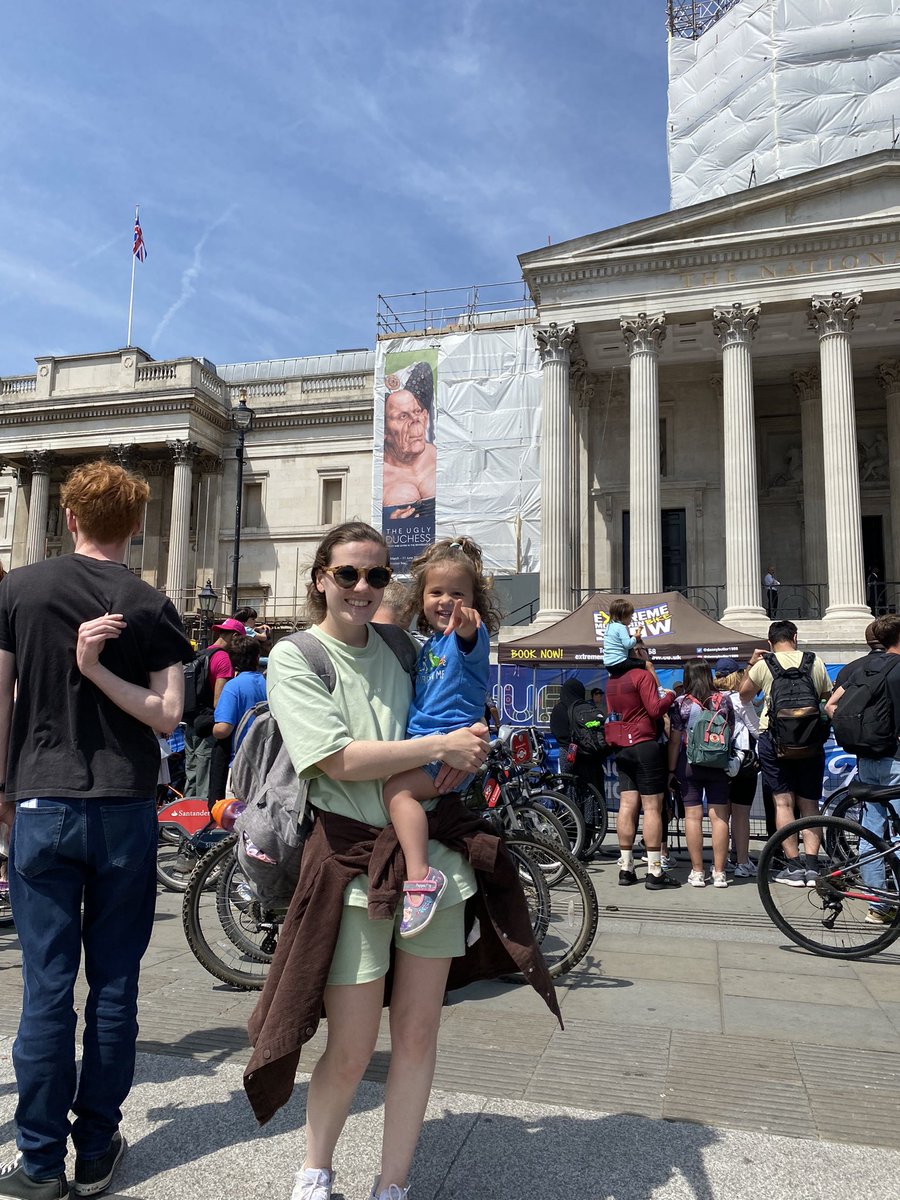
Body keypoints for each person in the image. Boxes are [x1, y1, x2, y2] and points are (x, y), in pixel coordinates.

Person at [244, 521, 556, 1200]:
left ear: (392, 587)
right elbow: (336, 758)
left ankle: (394, 1183)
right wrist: (440, 747)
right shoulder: (296, 657)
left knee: (417, 1039)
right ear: (320, 578)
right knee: (352, 1048)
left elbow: (461, 684)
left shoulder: (400, 645)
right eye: (349, 574)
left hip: (434, 861)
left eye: (377, 575)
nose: (362, 587)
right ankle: (315, 1168)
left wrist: (472, 737)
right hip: (352, 865)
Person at [0, 460, 192, 1200]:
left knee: (45, 989)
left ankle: (40, 1164)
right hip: (123, 808)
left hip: (41, 803)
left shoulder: (19, 590)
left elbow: (3, 703)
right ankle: (96, 1146)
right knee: (114, 984)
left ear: (70, 518)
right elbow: (168, 716)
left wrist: (3, 796)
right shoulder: (150, 602)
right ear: (138, 525)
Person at [382, 538, 497, 937]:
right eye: (436, 592)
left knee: (398, 793)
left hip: (449, 750)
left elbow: (469, 633)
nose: (446, 600)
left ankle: (421, 880)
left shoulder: (468, 638)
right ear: (421, 597)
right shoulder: (430, 643)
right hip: (429, 745)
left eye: (457, 593)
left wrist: (466, 622)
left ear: (473, 601)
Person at [739, 620, 831, 886]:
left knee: (783, 803)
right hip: (810, 740)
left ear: (769, 642)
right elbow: (824, 695)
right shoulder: (815, 662)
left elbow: (743, 696)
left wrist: (750, 664)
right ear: (795, 637)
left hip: (774, 740)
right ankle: (813, 864)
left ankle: (793, 866)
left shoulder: (763, 665)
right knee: (810, 803)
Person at [826, 615, 900, 924]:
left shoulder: (854, 668)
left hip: (866, 756)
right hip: (896, 757)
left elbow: (831, 706)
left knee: (870, 830)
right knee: (897, 832)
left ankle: (879, 905)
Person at [605, 664, 679, 889]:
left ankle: (626, 868)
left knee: (627, 804)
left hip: (621, 745)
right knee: (652, 807)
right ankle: (655, 871)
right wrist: (671, 696)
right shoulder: (642, 676)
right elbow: (655, 710)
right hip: (644, 743)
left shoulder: (612, 680)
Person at [668, 660, 735, 888]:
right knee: (719, 817)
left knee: (693, 817)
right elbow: (731, 731)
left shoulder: (681, 703)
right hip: (718, 763)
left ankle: (697, 871)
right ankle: (719, 872)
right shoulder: (724, 700)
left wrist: (670, 769)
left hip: (689, 763)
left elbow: (675, 739)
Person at [183, 617, 242, 801]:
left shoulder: (202, 653)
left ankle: (186, 820)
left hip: (191, 721)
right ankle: (202, 822)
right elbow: (219, 702)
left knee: (191, 774)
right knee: (205, 775)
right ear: (234, 636)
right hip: (208, 726)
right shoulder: (223, 659)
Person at [713, 657, 760, 876]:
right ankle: (742, 862)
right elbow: (757, 730)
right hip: (741, 762)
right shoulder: (741, 701)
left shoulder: (710, 699)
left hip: (714, 761)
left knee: (720, 815)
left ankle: (719, 864)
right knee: (741, 814)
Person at [209, 637, 268, 802]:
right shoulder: (268, 682)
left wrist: (208, 728)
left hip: (242, 763)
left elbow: (223, 729)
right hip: (268, 760)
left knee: (237, 817)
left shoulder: (233, 686)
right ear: (257, 658)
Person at [382, 363, 436, 519]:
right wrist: (392, 523)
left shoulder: (441, 456)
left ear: (425, 415)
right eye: (403, 416)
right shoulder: (380, 477)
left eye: (417, 411)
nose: (415, 420)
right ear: (385, 430)